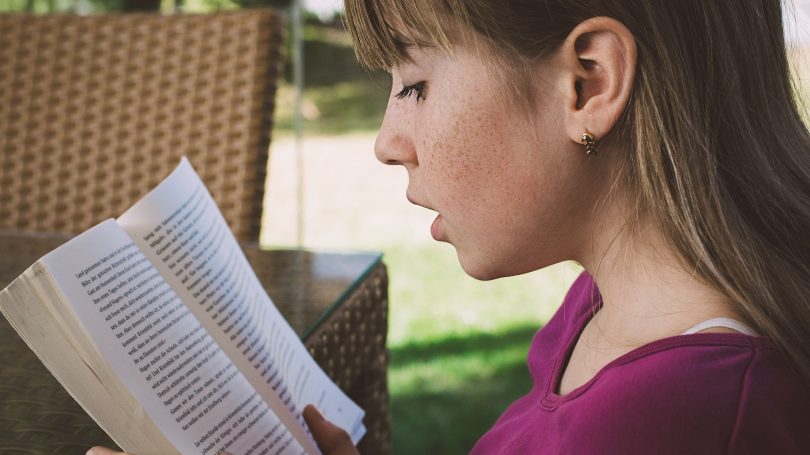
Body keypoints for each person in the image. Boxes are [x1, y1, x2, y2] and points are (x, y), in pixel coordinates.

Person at [90, 0, 810, 454]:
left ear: (587, 83)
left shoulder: (676, 417)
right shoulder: (600, 308)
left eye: (414, 85)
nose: (386, 140)